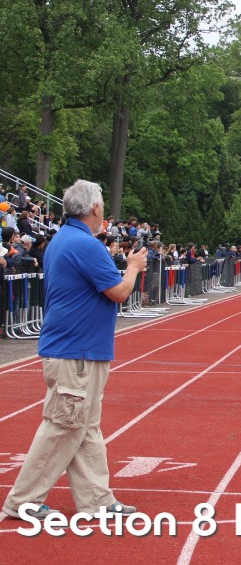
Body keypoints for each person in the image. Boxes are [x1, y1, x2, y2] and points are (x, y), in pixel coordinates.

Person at [3, 179, 148, 521]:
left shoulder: (63, 239)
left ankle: (96, 498)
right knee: (64, 424)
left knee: (84, 426)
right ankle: (23, 500)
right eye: (102, 207)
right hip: (77, 351)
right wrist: (133, 268)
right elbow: (118, 292)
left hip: (77, 348)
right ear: (94, 208)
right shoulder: (86, 245)